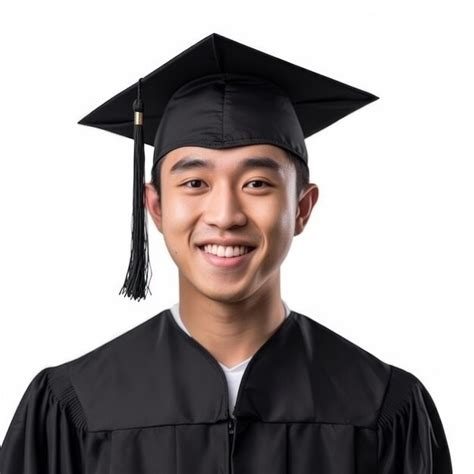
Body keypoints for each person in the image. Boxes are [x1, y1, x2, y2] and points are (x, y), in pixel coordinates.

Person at [0, 32, 452, 473]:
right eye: (194, 183)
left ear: (302, 208)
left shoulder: (383, 408)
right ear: (155, 207)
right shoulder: (73, 407)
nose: (225, 214)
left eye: (257, 183)